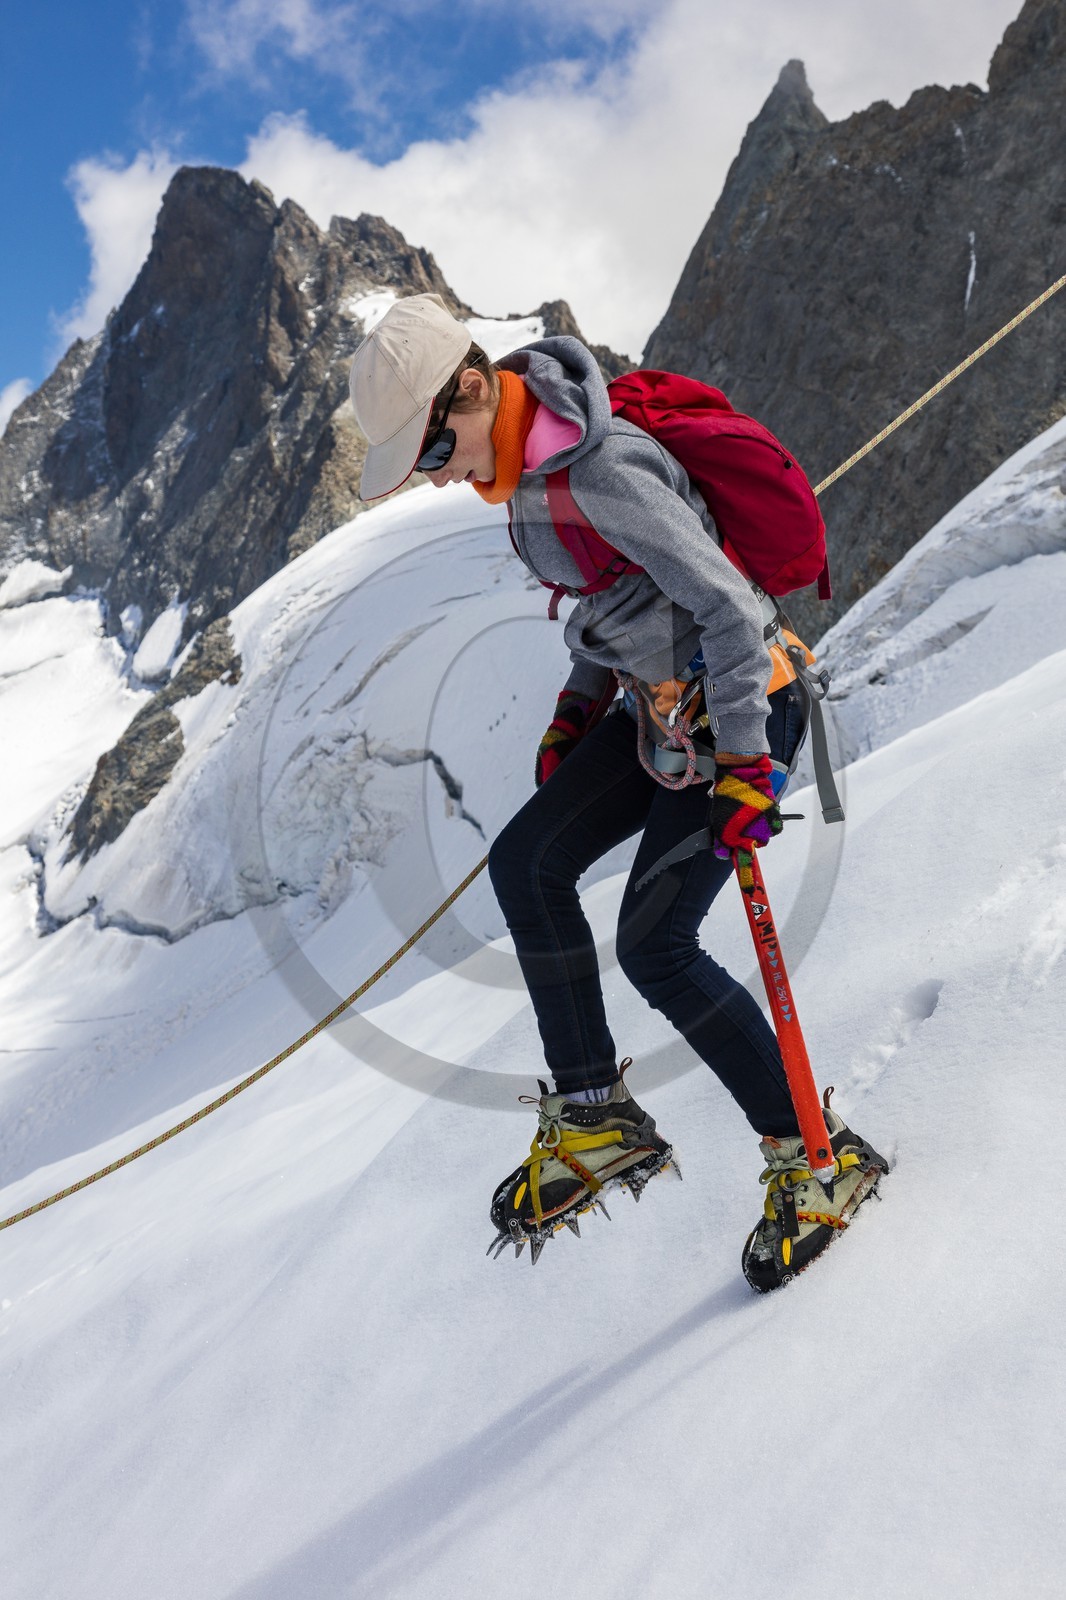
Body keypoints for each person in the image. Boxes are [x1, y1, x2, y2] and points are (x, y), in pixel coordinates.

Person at [349, 293, 885, 1289]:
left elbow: (725, 610)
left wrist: (742, 765)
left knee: (654, 945)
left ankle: (820, 1159)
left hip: (739, 709)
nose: (437, 477)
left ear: (473, 387)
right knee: (529, 863)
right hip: (654, 713)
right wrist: (574, 703)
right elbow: (612, 601)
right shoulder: (523, 472)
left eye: (432, 451)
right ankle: (595, 1116)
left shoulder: (598, 467)